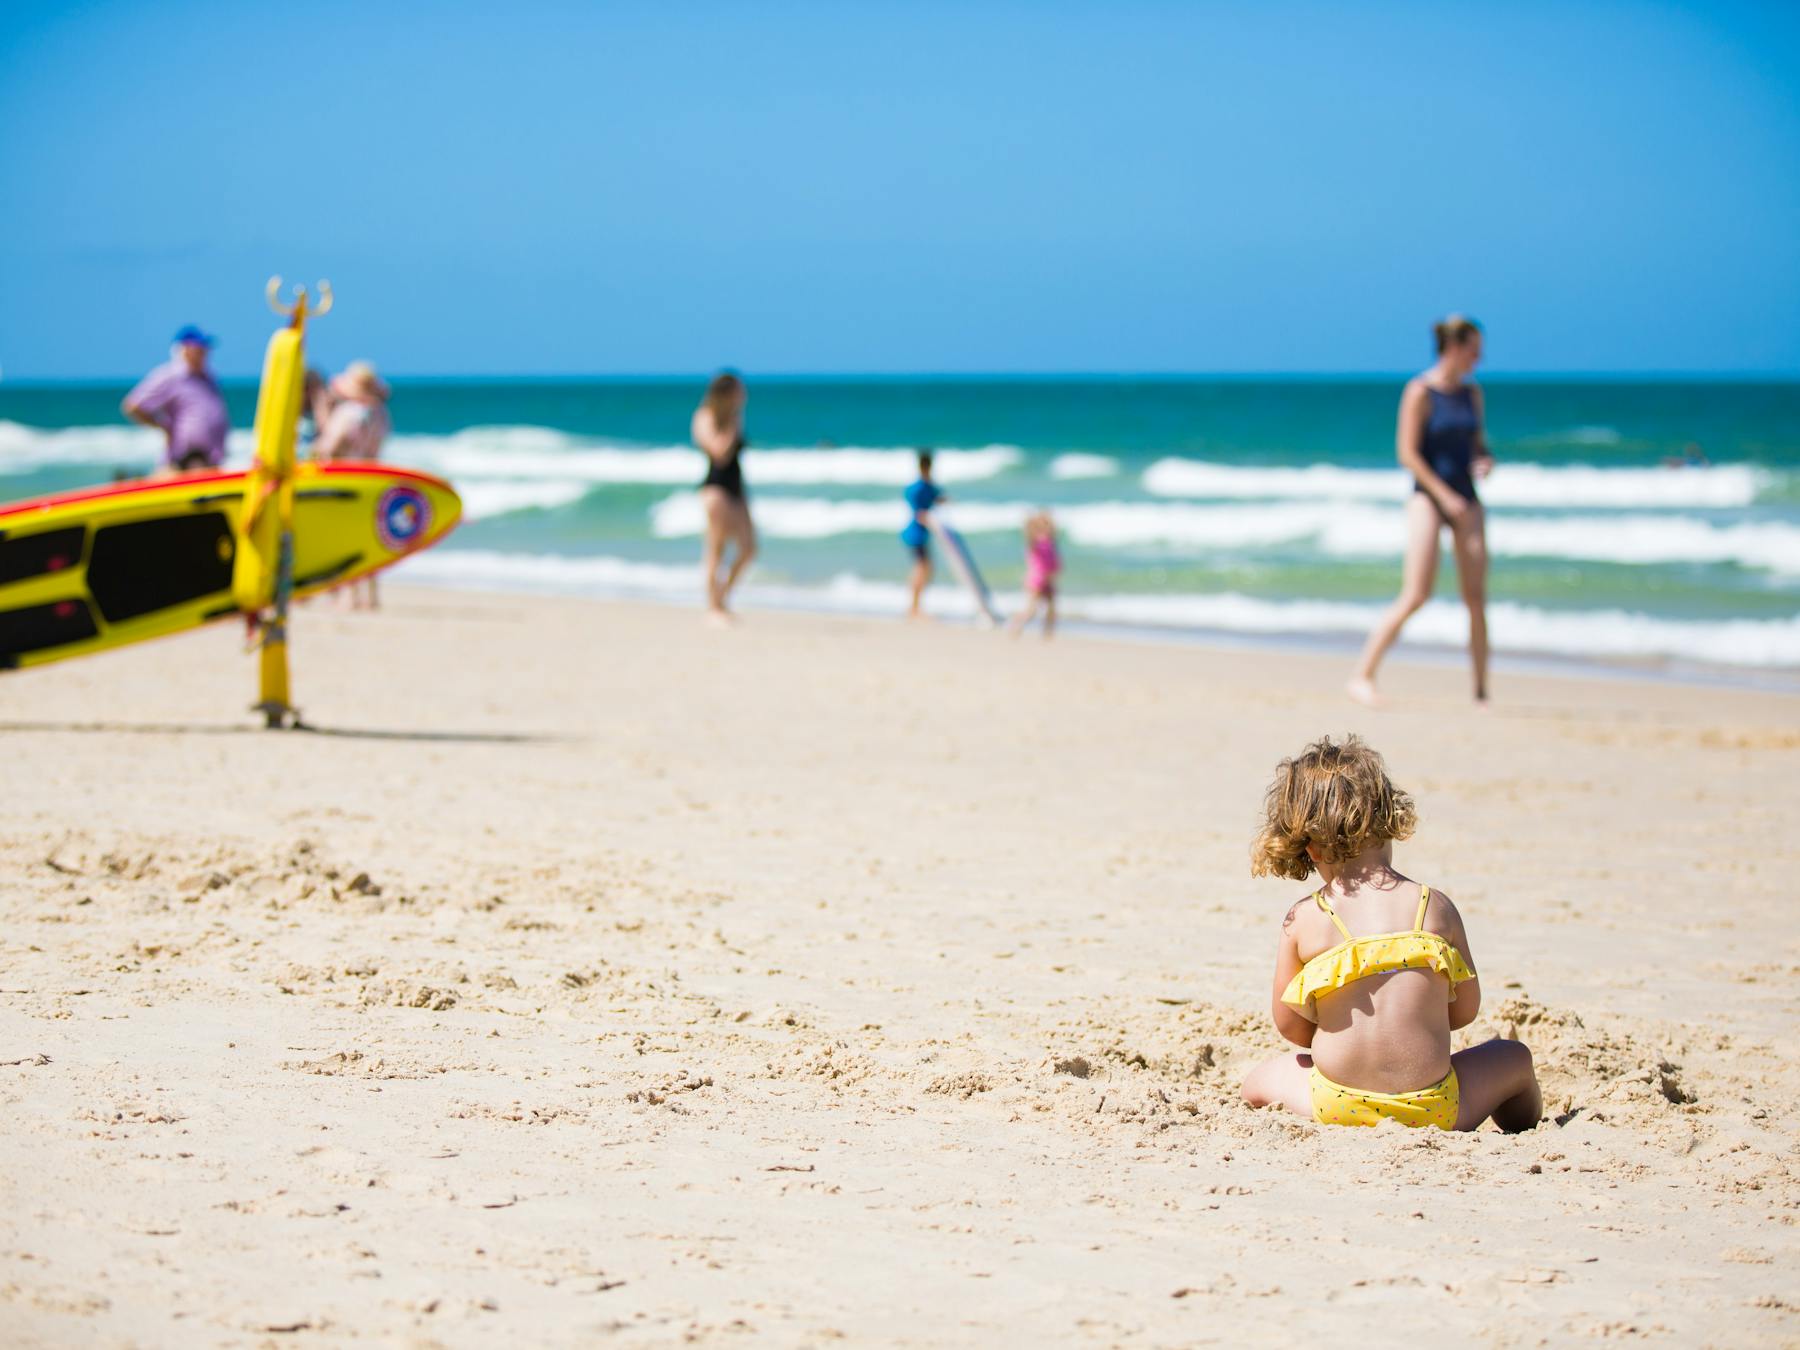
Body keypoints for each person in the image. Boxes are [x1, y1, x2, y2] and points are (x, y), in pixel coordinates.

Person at [1240, 735, 1542, 1133]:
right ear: (1390, 821)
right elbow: (1464, 1012)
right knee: (1512, 1056)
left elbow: (1290, 1027)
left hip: (1335, 1103)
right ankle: (1522, 1124)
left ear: (1309, 849)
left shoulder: (1304, 918)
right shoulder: (1434, 906)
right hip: (1436, 1110)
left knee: (1259, 1080)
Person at [1348, 316, 1494, 706]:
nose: (1478, 357)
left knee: (1476, 597)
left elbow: (1478, 444)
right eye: (1473, 348)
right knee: (1416, 593)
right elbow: (1407, 454)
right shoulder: (1420, 392)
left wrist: (1484, 460)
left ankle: (1481, 691)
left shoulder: (1472, 395)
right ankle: (1362, 676)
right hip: (1429, 497)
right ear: (1454, 347)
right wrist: (1443, 496)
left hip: (1467, 496)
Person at [316, 362, 393, 610]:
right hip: (372, 477)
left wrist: (322, 416)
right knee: (370, 537)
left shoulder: (348, 413)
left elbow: (329, 447)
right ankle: (371, 596)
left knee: (346, 538)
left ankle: (349, 596)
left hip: (347, 478)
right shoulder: (380, 414)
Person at [122, 325, 230, 476]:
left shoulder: (208, 378)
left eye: (205, 347)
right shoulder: (171, 376)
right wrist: (163, 426)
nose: (204, 352)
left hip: (210, 462)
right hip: (183, 462)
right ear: (185, 348)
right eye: (199, 347)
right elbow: (133, 404)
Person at [692, 371, 756, 623]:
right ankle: (713, 607)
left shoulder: (734, 416)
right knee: (715, 549)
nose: (744, 396)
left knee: (748, 548)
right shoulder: (705, 415)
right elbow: (719, 453)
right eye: (739, 391)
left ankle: (722, 597)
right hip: (716, 489)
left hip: (737, 490)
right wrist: (731, 426)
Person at [901, 449, 944, 620]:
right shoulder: (919, 488)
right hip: (915, 534)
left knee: (925, 569)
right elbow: (919, 512)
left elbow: (939, 498)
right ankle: (914, 607)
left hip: (921, 534)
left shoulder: (926, 486)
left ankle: (915, 606)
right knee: (921, 569)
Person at [1008, 509, 1060, 639]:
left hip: (1048, 579)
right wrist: (1028, 522)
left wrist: (1049, 520)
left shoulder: (1049, 540)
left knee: (1052, 608)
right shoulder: (1034, 543)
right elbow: (1029, 534)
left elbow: (1052, 531)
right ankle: (1016, 623)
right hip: (1036, 580)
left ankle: (1047, 633)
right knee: (1031, 610)